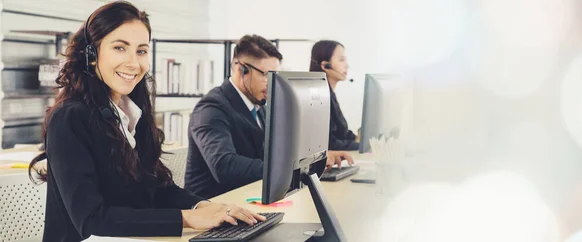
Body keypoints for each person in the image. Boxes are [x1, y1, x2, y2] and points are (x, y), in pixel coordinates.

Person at [28, 2, 263, 242]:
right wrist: (186, 219)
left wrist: (205, 207)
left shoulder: (131, 113)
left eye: (141, 51)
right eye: (120, 48)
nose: (133, 63)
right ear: (91, 54)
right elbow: (91, 221)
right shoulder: (69, 118)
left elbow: (157, 189)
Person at [185, 35, 354, 199]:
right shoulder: (211, 109)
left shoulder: (260, 106)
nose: (271, 83)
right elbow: (224, 166)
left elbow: (277, 151)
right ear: (241, 69)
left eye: (275, 76)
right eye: (266, 75)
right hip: (215, 210)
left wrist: (317, 158)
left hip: (250, 201)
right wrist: (288, 168)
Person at [309, 40, 359, 151]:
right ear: (325, 65)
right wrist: (362, 147)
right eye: (341, 60)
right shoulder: (318, 98)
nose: (347, 65)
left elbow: (342, 133)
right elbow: (330, 143)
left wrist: (361, 140)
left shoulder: (330, 94)